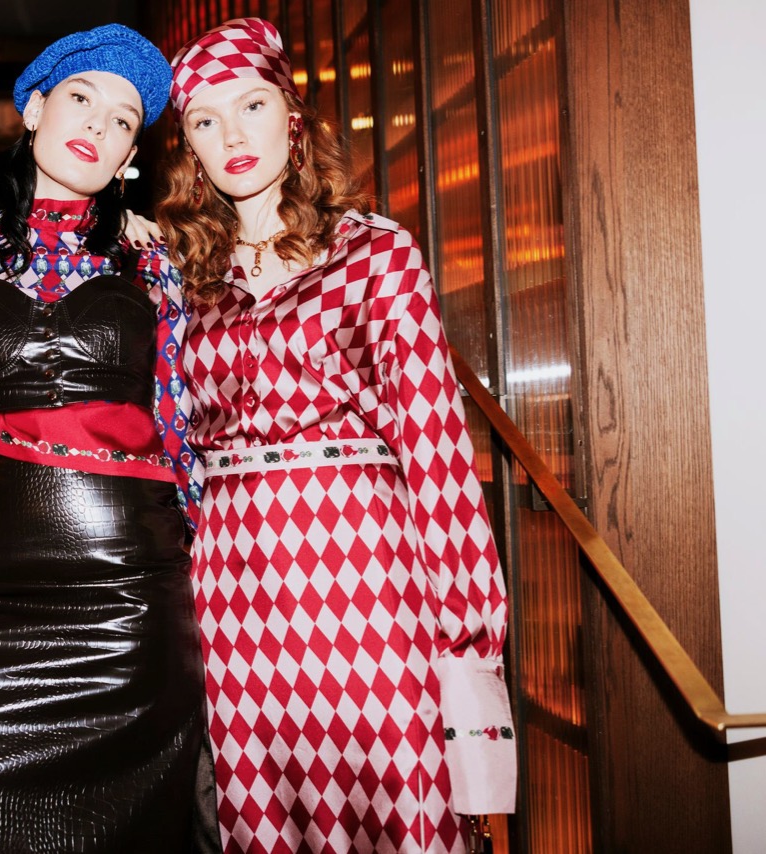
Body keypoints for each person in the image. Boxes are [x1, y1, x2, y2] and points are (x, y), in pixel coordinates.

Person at [155, 18, 517, 854]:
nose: (233, 135)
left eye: (251, 106)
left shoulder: (375, 254)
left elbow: (435, 447)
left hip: (366, 569)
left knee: (396, 793)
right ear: (189, 147)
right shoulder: (177, 277)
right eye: (206, 119)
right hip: (231, 588)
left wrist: (468, 636)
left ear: (293, 117)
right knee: (261, 810)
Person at [0, 23, 209, 853]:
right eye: (81, 98)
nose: (98, 126)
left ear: (130, 155)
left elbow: (178, 431)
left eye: (122, 121)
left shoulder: (153, 265)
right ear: (34, 108)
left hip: (130, 607)